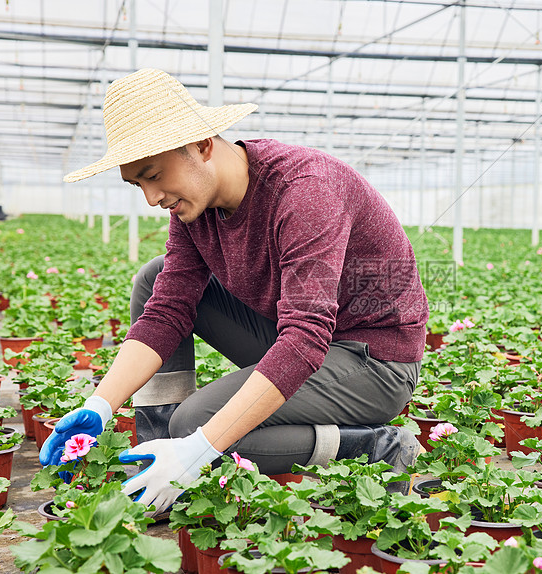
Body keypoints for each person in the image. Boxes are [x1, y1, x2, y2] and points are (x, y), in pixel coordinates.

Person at [40, 68, 429, 516]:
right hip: (301, 339)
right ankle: (155, 459)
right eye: (137, 184)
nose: (151, 197)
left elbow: (304, 339)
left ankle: (375, 448)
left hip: (373, 362)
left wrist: (199, 448)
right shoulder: (195, 209)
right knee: (155, 279)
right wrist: (99, 405)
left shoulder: (304, 191)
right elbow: (167, 310)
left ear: (202, 146)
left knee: (198, 426)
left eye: (153, 175)